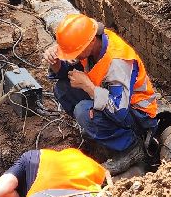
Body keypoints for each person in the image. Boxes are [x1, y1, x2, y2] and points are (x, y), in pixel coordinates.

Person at [46, 12, 159, 174]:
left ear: (91, 41)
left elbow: (119, 111)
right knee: (63, 89)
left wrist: (88, 87)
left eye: (75, 53)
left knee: (84, 111)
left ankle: (131, 148)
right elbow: (68, 72)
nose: (74, 57)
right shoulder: (91, 45)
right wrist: (56, 64)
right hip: (113, 102)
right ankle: (103, 132)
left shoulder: (117, 62)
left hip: (138, 117)